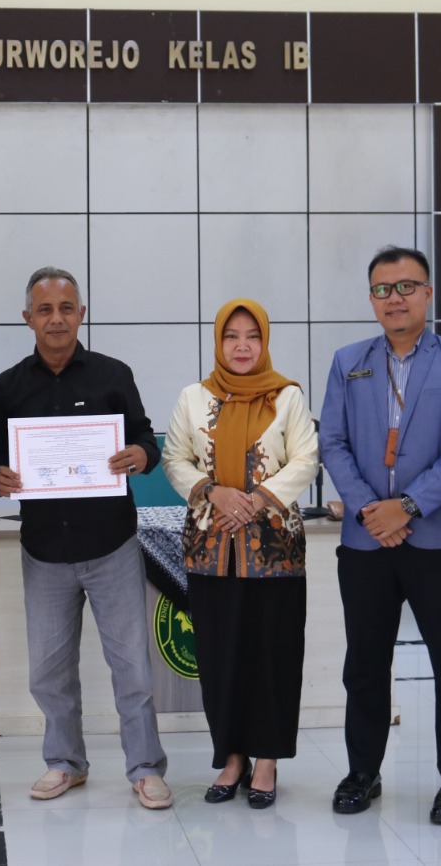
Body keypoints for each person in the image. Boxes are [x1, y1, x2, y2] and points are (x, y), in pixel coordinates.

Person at [0, 266, 172, 810]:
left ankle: (145, 768)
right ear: (28, 318)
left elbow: (145, 438)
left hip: (112, 544)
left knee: (132, 668)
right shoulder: (8, 387)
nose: (56, 319)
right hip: (44, 550)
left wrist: (141, 454)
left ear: (81, 314)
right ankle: (65, 762)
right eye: (44, 309)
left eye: (66, 308)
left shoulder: (113, 374)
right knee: (48, 671)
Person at [318, 246, 441, 824]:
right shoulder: (348, 362)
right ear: (371, 299)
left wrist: (408, 507)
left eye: (407, 286)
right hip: (366, 541)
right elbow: (333, 442)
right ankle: (362, 771)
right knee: (365, 662)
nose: (395, 298)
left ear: (428, 293)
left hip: (437, 538)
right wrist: (373, 510)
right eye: (383, 289)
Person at [162, 298, 319, 809]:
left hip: (274, 549)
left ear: (265, 341)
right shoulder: (193, 397)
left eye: (253, 336)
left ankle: (267, 759)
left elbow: (305, 459)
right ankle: (231, 758)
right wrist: (214, 493)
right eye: (232, 336)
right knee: (220, 655)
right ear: (218, 342)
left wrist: (254, 501)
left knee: (273, 655)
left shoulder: (287, 396)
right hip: (211, 547)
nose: (243, 346)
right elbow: (174, 458)